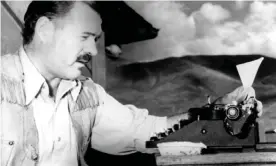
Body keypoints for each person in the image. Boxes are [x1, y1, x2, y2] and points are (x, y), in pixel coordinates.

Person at [1, 1, 263, 166]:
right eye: (85, 37)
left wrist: (215, 112)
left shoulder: (88, 95)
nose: (93, 50)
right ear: (45, 30)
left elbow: (150, 131)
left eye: (96, 39)